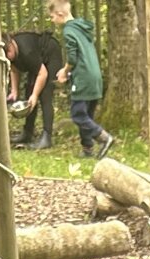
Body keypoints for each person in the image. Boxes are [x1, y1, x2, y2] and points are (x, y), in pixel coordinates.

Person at [46, 0, 114, 158]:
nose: (52, 20)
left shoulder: (68, 31)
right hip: (95, 77)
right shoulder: (81, 28)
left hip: (83, 78)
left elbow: (72, 57)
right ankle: (87, 149)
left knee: (77, 114)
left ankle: (104, 138)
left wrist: (64, 71)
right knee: (87, 114)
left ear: (60, 14)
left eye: (52, 17)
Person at [6, 28, 62, 151]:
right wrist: (14, 91)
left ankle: (47, 137)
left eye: (8, 51)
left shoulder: (27, 51)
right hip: (38, 61)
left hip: (51, 54)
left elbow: (43, 74)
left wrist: (35, 95)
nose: (8, 56)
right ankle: (27, 133)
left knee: (45, 95)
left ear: (11, 44)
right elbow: (14, 69)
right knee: (29, 93)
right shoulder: (11, 54)